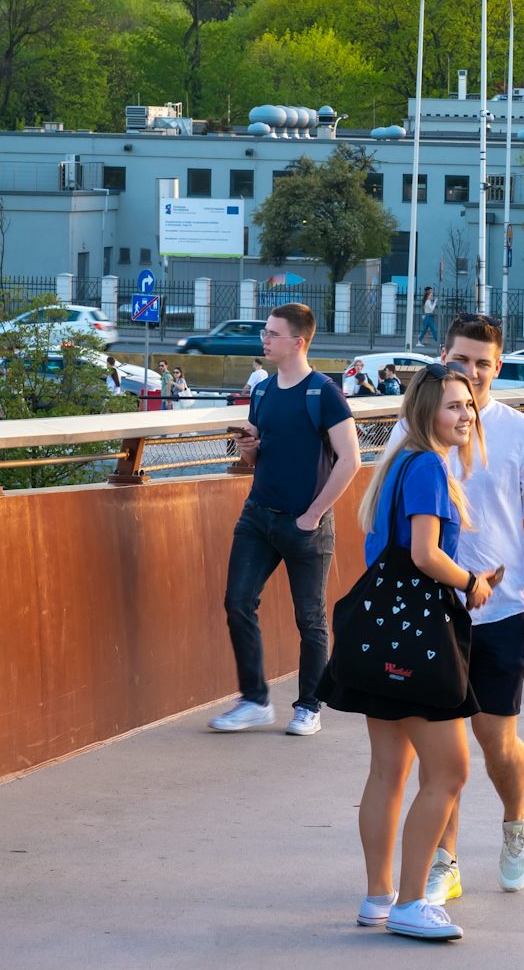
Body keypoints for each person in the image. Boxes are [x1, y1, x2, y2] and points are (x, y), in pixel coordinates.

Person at [327, 364, 489, 942]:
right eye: (453, 406)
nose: (465, 415)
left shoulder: (397, 465)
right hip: (419, 637)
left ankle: (379, 897)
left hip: (383, 632)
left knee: (389, 771)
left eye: (468, 405)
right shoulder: (428, 467)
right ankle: (413, 902)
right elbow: (423, 554)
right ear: (425, 413)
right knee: (450, 770)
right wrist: (471, 582)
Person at [407, 314, 524, 900]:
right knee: (442, 746)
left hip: (500, 613)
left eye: (482, 363)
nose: (470, 373)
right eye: (460, 360)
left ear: (498, 368)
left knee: (496, 742)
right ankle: (446, 860)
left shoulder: (522, 433)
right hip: (433, 612)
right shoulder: (415, 431)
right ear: (443, 356)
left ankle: (517, 819)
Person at [212, 303, 360, 738]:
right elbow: (259, 454)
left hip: (306, 525)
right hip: (258, 515)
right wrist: (249, 449)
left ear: (298, 342)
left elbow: (350, 460)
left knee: (309, 618)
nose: (265, 340)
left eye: (273, 334)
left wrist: (314, 515)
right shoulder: (262, 390)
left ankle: (309, 705)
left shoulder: (324, 392)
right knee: (238, 602)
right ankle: (255, 700)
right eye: (264, 333)